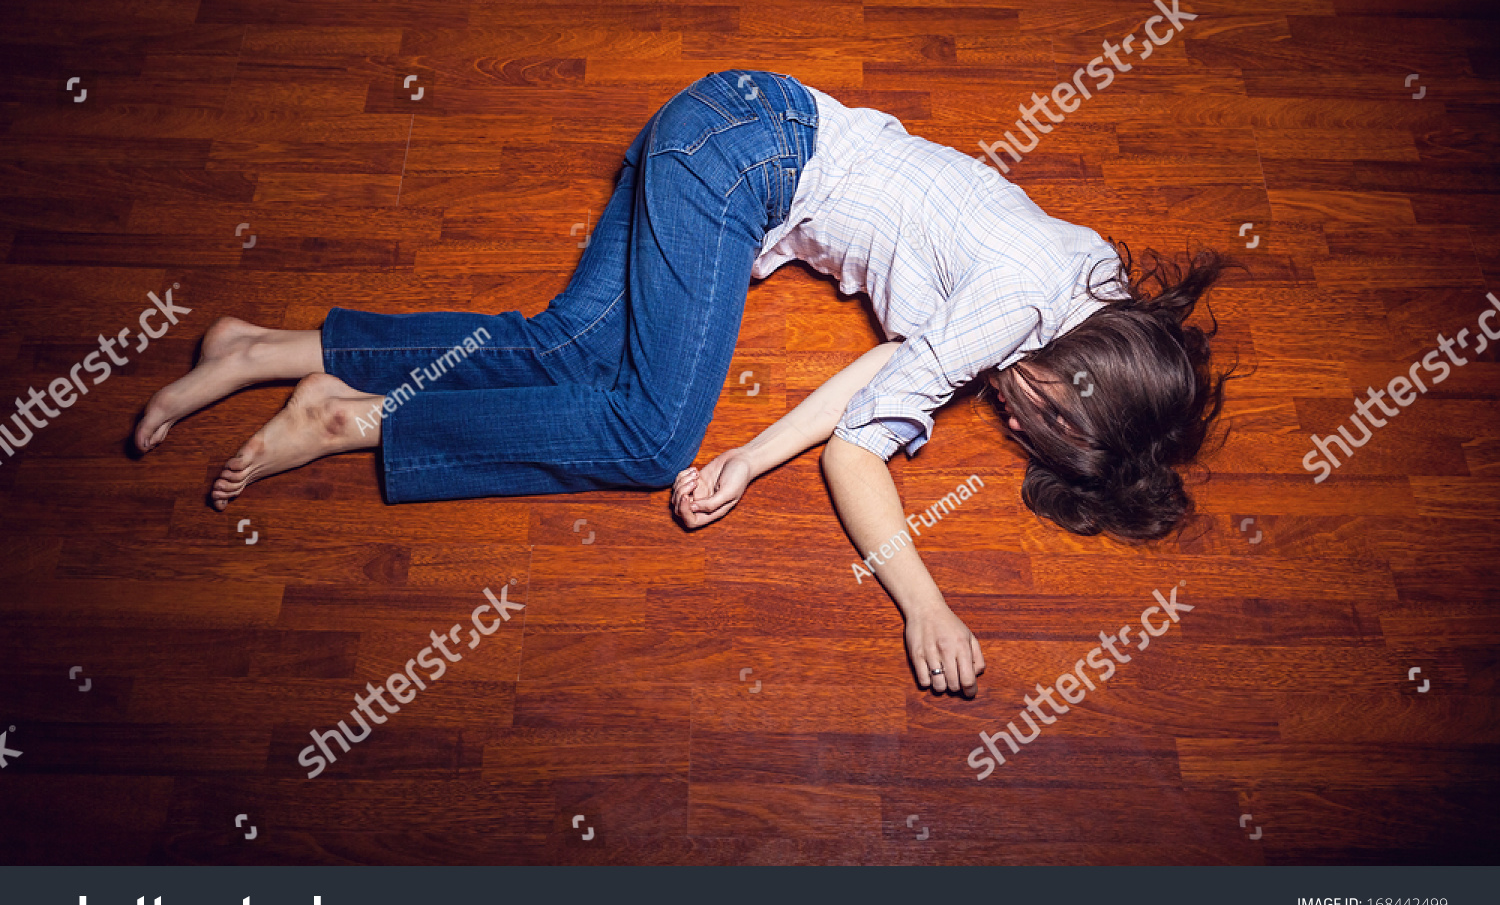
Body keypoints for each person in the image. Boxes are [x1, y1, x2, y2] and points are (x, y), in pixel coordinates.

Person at [133, 70, 1231, 698]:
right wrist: (923, 605)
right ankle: (358, 419)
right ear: (1079, 372)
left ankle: (264, 347)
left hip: (739, 116)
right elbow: (861, 444)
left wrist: (751, 458)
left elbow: (890, 371)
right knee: (649, 432)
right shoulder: (1011, 317)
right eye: (1036, 418)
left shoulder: (1090, 279)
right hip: (739, 162)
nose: (1008, 414)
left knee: (568, 348)